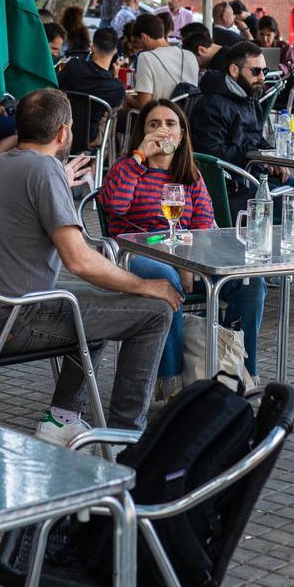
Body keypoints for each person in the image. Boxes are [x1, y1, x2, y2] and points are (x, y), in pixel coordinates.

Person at [0, 89, 179, 442]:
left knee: (99, 307)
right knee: (154, 311)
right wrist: (147, 286)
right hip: (11, 321)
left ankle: (61, 420)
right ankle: (125, 437)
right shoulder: (44, 173)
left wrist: (57, 181)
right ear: (62, 133)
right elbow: (79, 260)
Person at [100, 99, 266, 378]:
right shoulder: (127, 166)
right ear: (142, 133)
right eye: (154, 125)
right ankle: (171, 382)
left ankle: (240, 373)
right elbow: (114, 205)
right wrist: (139, 156)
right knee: (166, 279)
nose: (162, 131)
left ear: (181, 134)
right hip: (137, 256)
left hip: (186, 258)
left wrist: (187, 262)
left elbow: (203, 222)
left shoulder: (190, 174)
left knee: (250, 284)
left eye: (170, 124)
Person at [189, 41, 294, 210]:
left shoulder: (249, 98)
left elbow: (257, 138)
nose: (262, 77)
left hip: (253, 172)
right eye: (256, 71)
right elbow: (212, 154)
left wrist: (273, 158)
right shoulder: (211, 105)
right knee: (293, 200)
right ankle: (266, 232)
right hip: (232, 182)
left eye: (265, 71)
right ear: (234, 70)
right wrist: (256, 156)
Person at [55, 26, 126, 140]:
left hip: (60, 130)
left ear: (92, 47)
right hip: (88, 138)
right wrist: (116, 76)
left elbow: (57, 87)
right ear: (115, 52)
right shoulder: (115, 87)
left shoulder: (73, 66)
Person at [130, 13, 198, 109]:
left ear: (144, 37)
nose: (137, 48)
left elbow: (143, 105)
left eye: (136, 42)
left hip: (161, 117)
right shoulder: (190, 55)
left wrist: (127, 98)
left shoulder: (145, 57)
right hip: (188, 117)